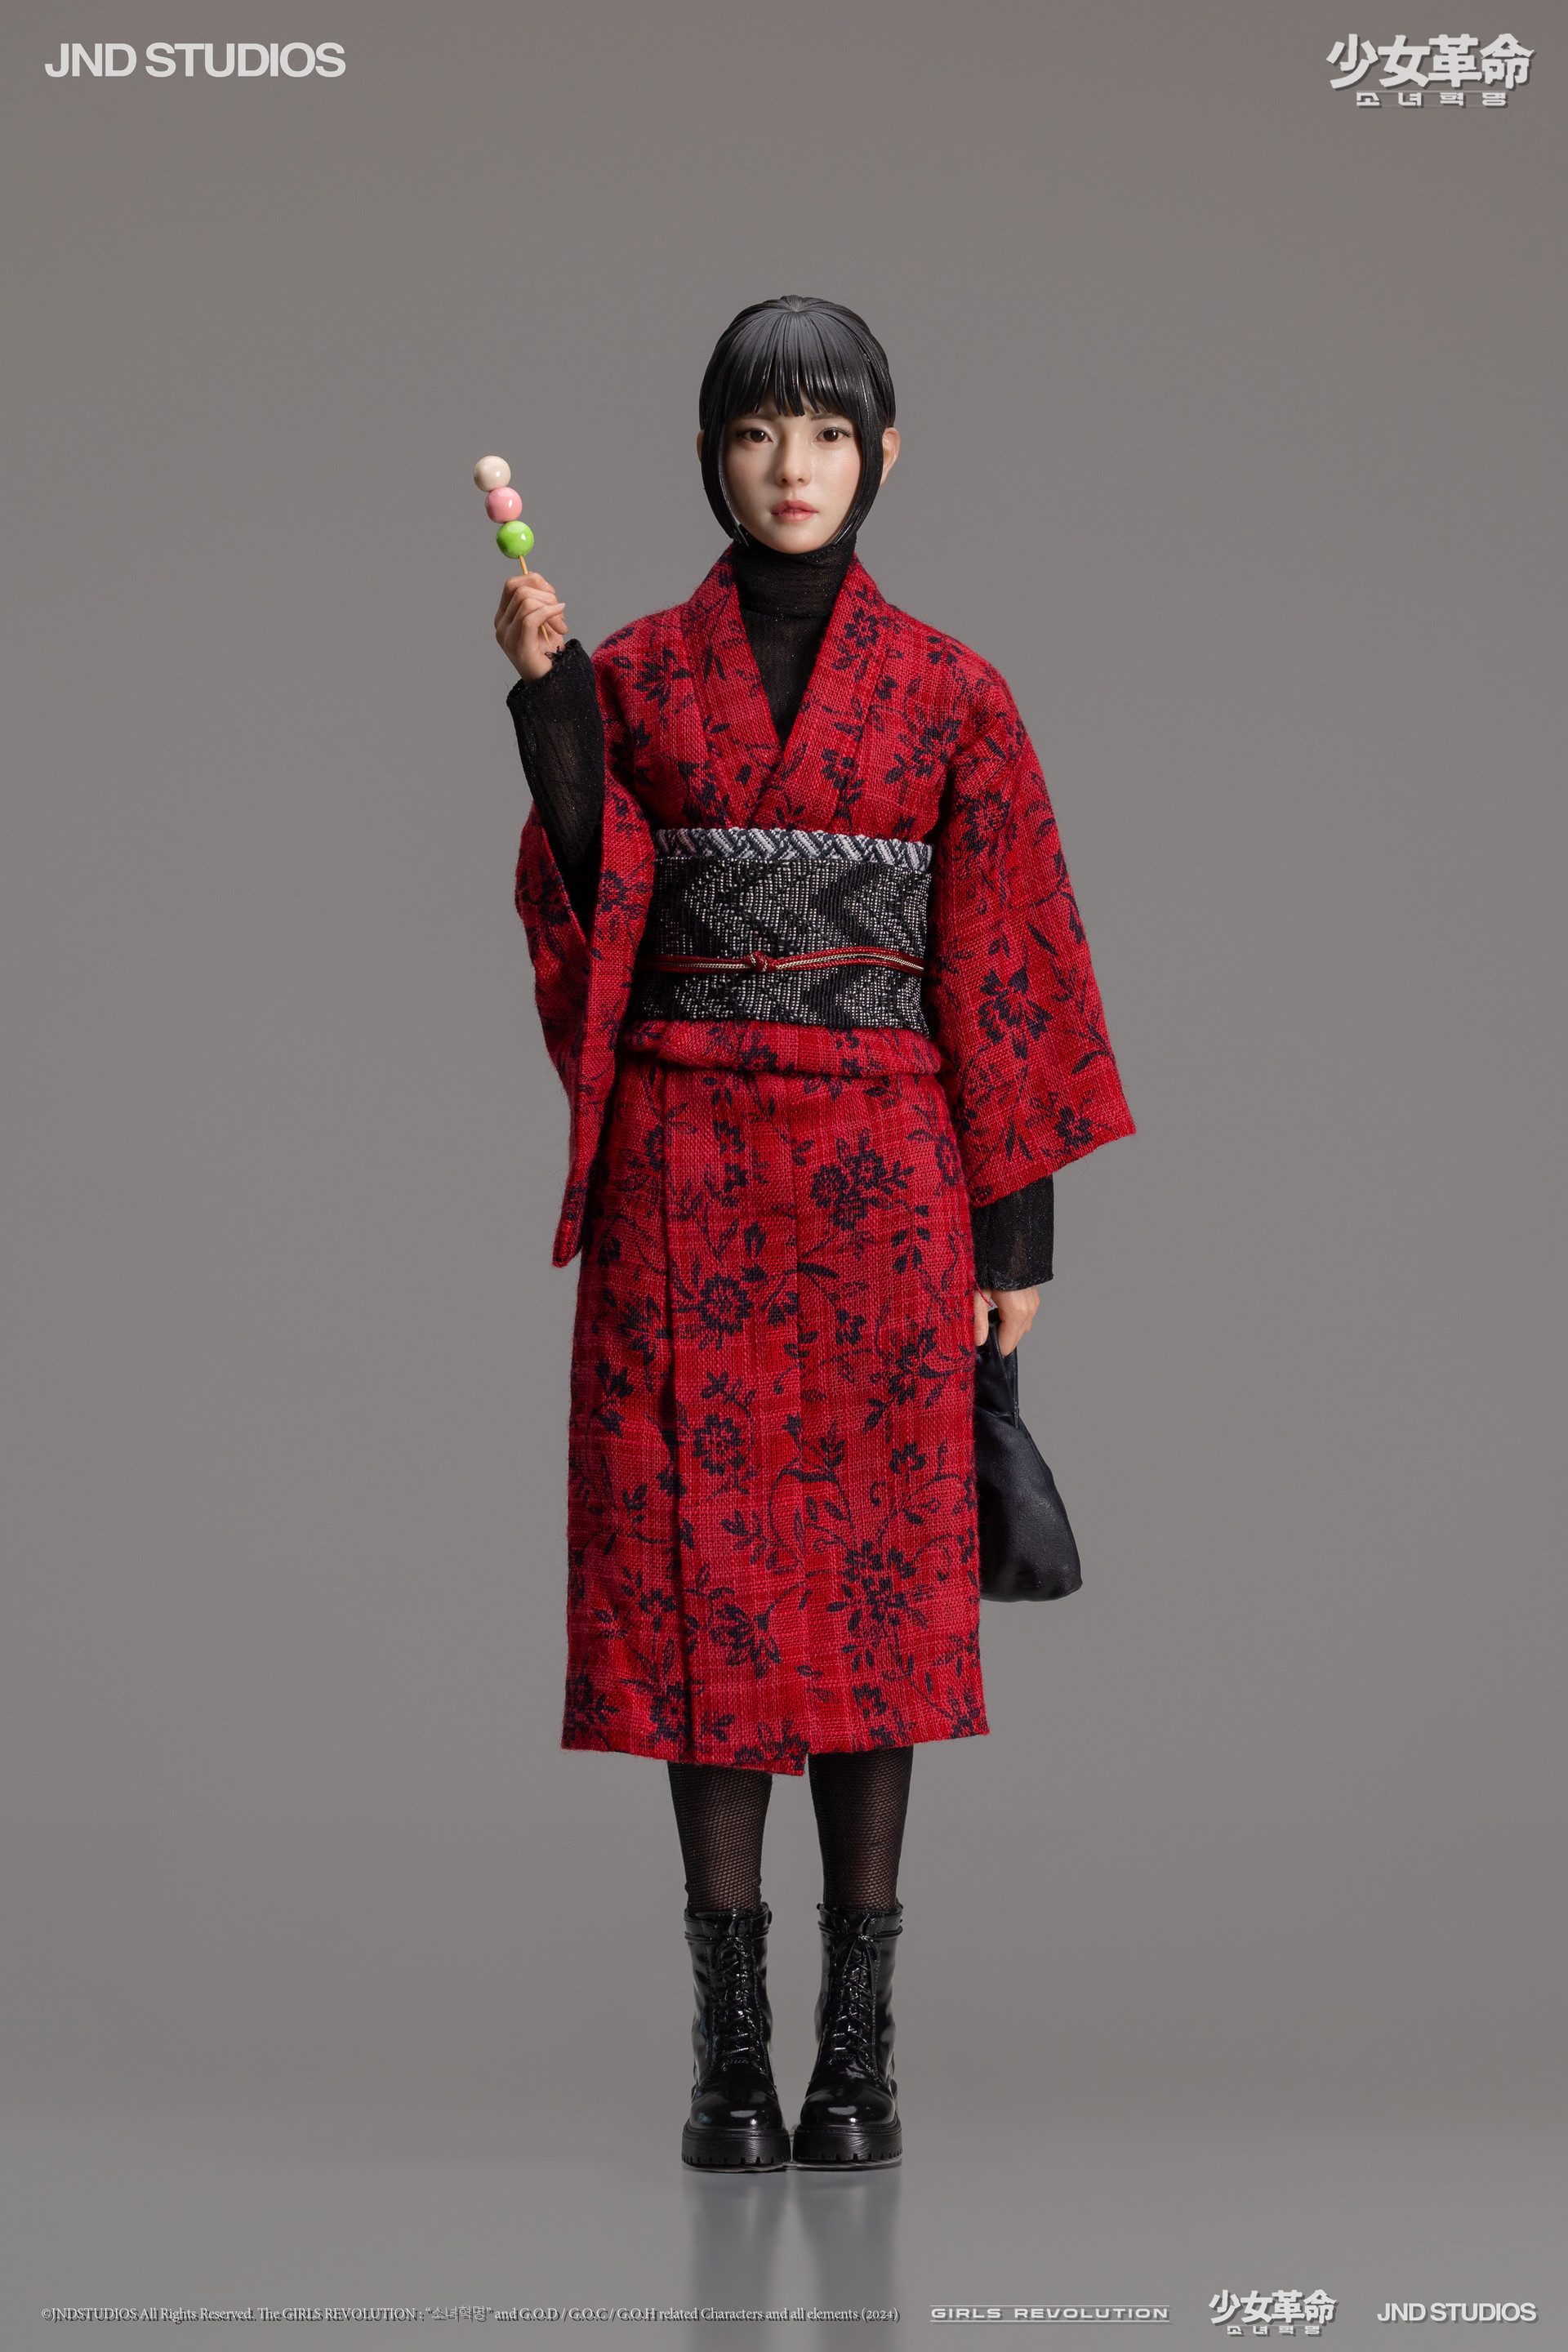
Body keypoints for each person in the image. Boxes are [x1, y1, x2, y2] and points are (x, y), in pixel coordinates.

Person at [495, 296, 1133, 2171]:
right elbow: (592, 904)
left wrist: (1014, 1241)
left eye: (830, 434)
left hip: (885, 1190)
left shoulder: (953, 696)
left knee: (876, 1603)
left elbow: (1006, 969)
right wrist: (546, 701)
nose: (795, 468)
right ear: (711, 455)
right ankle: (729, 2060)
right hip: (684, 1174)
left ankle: (857, 2062)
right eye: (760, 432)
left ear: (884, 455)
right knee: (704, 1589)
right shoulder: (634, 676)